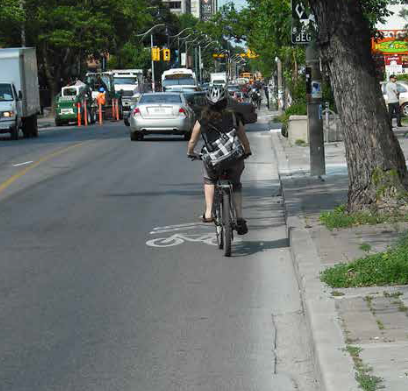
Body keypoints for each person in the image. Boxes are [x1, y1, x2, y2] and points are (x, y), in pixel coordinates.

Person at [187, 84, 252, 235]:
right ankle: (240, 217)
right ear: (225, 101)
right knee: (235, 184)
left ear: (207, 102)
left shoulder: (201, 119)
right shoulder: (234, 116)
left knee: (209, 179)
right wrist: (247, 151)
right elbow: (244, 139)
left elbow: (192, 141)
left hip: (213, 161)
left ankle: (209, 213)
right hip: (234, 159)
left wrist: (191, 152)